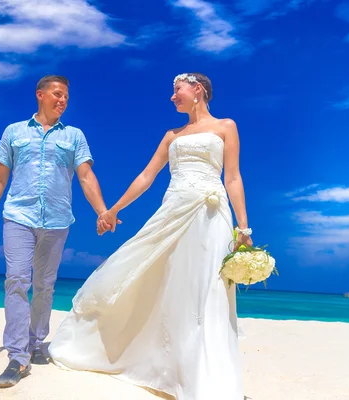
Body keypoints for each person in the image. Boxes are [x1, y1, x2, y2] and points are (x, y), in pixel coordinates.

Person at [48, 72, 252, 399]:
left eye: (177, 90)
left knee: (207, 290)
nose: (173, 97)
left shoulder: (226, 127)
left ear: (197, 90)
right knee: (166, 281)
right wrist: (113, 209)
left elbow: (233, 178)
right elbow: (146, 176)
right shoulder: (172, 135)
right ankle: (166, 365)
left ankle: (206, 376)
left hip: (212, 215)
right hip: (173, 211)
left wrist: (243, 227)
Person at [0, 75, 115, 389]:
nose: (62, 100)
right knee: (17, 280)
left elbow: (86, 175)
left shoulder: (75, 135)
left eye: (66, 96)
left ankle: (37, 341)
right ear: (40, 95)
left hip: (57, 220)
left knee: (45, 285)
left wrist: (102, 211)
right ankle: (17, 355)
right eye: (57, 94)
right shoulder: (14, 131)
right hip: (18, 217)